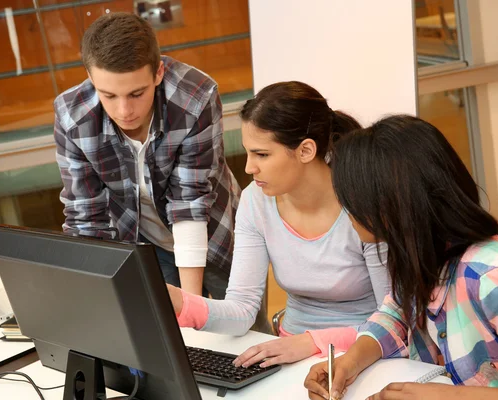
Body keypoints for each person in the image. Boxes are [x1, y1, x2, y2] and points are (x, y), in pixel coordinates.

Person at [304, 115, 498, 400]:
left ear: (389, 204)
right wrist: (350, 361)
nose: (345, 211)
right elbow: (398, 313)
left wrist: (452, 397)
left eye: (350, 200)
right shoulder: (420, 251)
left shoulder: (494, 279)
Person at [167, 81, 390, 368]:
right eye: (248, 152)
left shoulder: (365, 205)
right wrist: (180, 303)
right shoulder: (254, 201)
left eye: (262, 154)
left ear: (306, 150)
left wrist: (311, 342)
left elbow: (394, 322)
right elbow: (242, 309)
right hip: (289, 350)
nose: (249, 168)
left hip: (366, 354)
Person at [53, 12, 240, 298]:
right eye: (109, 96)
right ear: (90, 78)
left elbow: (189, 200)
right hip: (146, 241)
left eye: (137, 93)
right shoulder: (72, 117)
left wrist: (193, 305)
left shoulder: (195, 97)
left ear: (158, 73)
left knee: (247, 331)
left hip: (217, 234)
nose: (124, 111)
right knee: (173, 334)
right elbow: (86, 219)